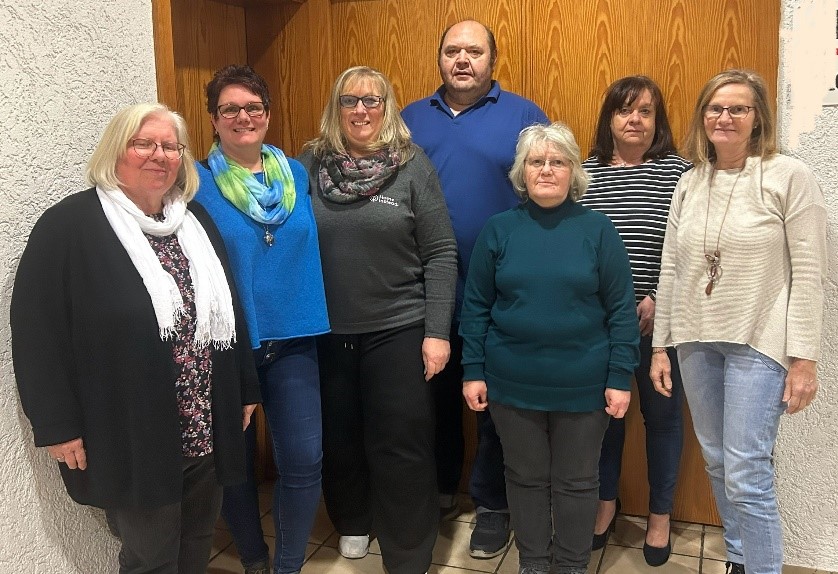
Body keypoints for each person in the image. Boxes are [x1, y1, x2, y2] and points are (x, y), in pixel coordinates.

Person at [10, 102, 260, 574]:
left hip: (204, 424)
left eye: (170, 146)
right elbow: (36, 334)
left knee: (197, 543)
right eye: (143, 143)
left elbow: (229, 312)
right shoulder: (69, 227)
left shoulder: (195, 222)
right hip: (132, 431)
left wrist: (243, 389)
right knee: (150, 558)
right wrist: (57, 424)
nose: (159, 155)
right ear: (115, 152)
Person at [651, 69, 826, 574]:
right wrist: (662, 345)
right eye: (715, 108)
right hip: (695, 341)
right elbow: (671, 266)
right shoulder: (690, 180)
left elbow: (810, 274)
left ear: (758, 119)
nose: (724, 117)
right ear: (703, 116)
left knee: (748, 472)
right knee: (719, 463)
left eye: (738, 109)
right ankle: (739, 560)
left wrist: (804, 360)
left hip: (759, 342)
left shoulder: (789, 177)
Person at [298, 65, 457, 574]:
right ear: (335, 108)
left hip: (399, 326)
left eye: (373, 101)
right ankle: (352, 522)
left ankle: (409, 548)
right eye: (350, 101)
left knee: (401, 441)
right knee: (339, 436)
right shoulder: (307, 164)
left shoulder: (412, 166)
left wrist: (436, 332)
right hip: (326, 331)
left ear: (388, 108)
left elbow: (440, 252)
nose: (361, 111)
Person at [460, 122, 639, 574]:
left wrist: (620, 377)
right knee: (524, 479)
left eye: (557, 161)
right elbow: (476, 306)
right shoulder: (499, 230)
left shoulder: (598, 230)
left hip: (584, 386)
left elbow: (621, 311)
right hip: (511, 385)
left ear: (572, 171)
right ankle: (534, 563)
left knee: (578, 483)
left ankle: (572, 565)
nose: (546, 170)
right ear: (522, 171)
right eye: (536, 161)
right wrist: (473, 369)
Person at [402, 19, 548, 558]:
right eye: (452, 51)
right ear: (439, 58)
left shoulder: (524, 115)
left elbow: (546, 187)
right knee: (430, 397)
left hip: (500, 291)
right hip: (422, 290)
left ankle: (492, 505)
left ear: (493, 59)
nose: (462, 60)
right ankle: (439, 490)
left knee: (493, 405)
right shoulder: (409, 119)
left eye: (474, 51)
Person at [194, 65, 330, 574]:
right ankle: (253, 557)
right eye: (230, 109)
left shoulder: (295, 173)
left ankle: (287, 566)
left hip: (294, 338)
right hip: (232, 343)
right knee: (235, 464)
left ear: (268, 115)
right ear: (214, 120)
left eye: (253, 107)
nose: (243, 117)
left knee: (303, 459)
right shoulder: (195, 181)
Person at [579, 75, 692, 566]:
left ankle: (661, 515)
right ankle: (606, 504)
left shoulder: (681, 173)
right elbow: (572, 246)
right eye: (625, 110)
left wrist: (654, 298)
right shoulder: (582, 173)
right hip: (596, 323)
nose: (635, 120)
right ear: (609, 118)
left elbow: (692, 249)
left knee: (663, 419)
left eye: (646, 111)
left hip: (660, 324)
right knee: (606, 419)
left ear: (658, 120)